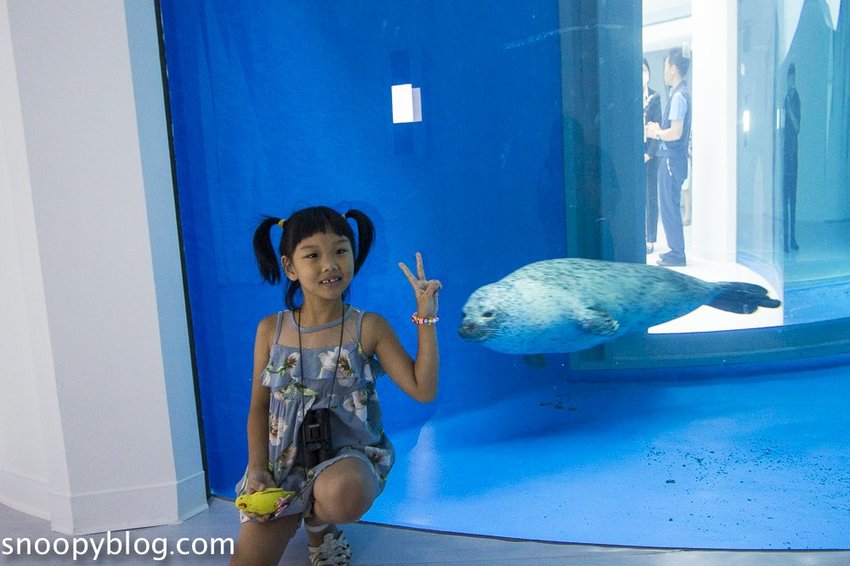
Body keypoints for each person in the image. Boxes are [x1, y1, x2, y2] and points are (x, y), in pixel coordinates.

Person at [230, 206, 441, 565]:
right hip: (284, 465)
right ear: (290, 267)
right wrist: (258, 469)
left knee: (345, 492)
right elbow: (259, 407)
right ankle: (315, 525)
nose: (330, 264)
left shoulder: (369, 327)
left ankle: (319, 523)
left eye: (340, 251)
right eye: (313, 255)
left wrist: (426, 317)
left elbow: (423, 390)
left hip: (347, 462)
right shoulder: (271, 330)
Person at [645, 47, 692, 267]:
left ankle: (677, 253)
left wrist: (657, 132)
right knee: (669, 204)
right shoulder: (679, 94)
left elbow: (676, 132)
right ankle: (675, 250)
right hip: (674, 159)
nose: (663, 71)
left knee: (669, 205)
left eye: (665, 66)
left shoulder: (679, 97)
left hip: (671, 160)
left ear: (673, 68)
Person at [642, 57, 662, 255]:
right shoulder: (631, 95)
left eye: (645, 70)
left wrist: (649, 153)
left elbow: (659, 126)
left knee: (651, 196)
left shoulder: (655, 97)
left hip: (651, 155)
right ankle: (640, 234)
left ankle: (651, 239)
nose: (642, 74)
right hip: (635, 154)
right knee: (638, 196)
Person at [782, 63, 801, 253]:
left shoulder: (795, 99)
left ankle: (792, 237)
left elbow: (797, 127)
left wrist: (789, 109)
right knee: (783, 200)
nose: (790, 80)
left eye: (792, 77)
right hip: (784, 155)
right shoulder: (784, 98)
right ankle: (785, 240)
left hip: (793, 156)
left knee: (792, 200)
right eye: (789, 77)